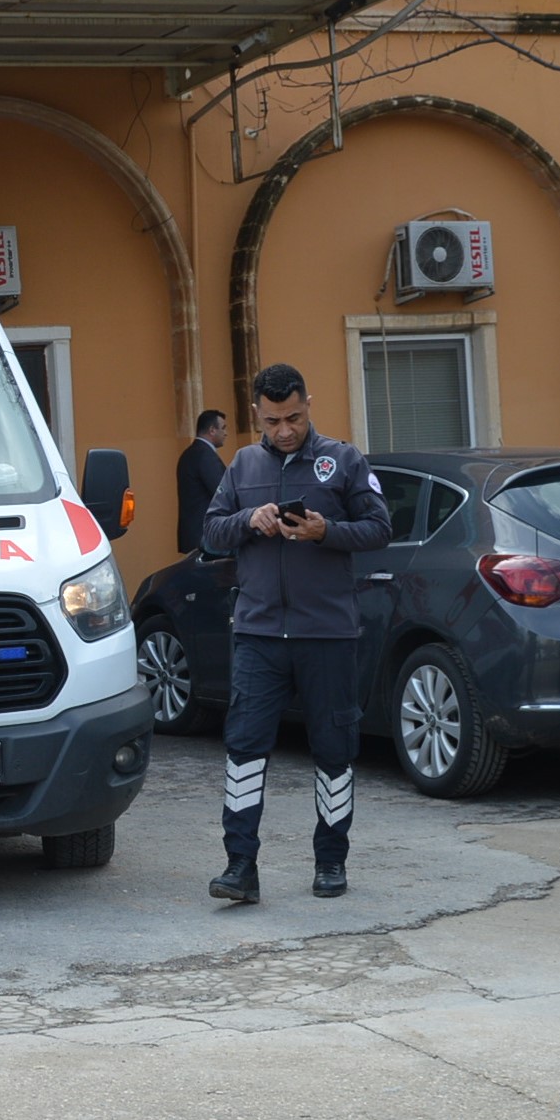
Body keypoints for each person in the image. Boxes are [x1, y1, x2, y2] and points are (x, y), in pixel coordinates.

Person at [200, 363, 390, 904]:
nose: (284, 430)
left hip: (327, 634)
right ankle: (240, 867)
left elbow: (379, 528)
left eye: (294, 418)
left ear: (309, 404)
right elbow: (210, 532)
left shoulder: (344, 460)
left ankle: (331, 862)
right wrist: (248, 520)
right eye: (272, 421)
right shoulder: (243, 464)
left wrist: (325, 530)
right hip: (258, 633)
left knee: (334, 749)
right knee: (244, 748)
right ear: (256, 414)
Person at [174, 409, 228, 554]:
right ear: (212, 430)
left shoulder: (189, 453)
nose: (226, 433)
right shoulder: (205, 455)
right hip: (206, 537)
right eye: (223, 428)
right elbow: (223, 493)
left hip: (193, 535)